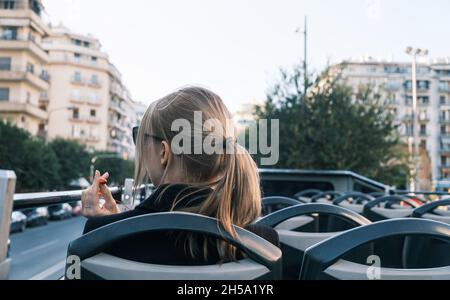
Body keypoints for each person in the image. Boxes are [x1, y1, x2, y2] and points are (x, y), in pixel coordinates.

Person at [81, 86, 278, 265]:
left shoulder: (99, 235)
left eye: (141, 139)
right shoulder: (263, 244)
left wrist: (112, 225)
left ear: (164, 153)